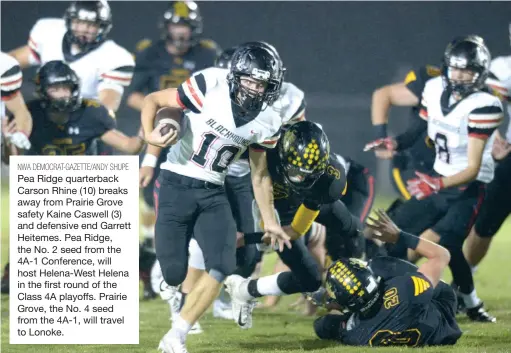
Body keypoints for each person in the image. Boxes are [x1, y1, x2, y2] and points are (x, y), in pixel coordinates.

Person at [140, 44, 292, 353]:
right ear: (236, 75)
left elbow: (260, 175)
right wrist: (148, 136)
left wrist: (271, 220)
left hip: (213, 191)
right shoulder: (210, 82)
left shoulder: (268, 120)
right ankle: (166, 278)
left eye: (262, 83)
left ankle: (176, 335)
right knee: (174, 273)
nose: (254, 89)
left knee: (223, 263)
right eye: (250, 80)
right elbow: (153, 99)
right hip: (175, 184)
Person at [378, 35, 501, 322]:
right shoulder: (434, 89)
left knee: (439, 243)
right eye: (455, 68)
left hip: (467, 188)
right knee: (398, 229)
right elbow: (420, 125)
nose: (458, 75)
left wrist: (436, 183)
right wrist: (397, 143)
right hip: (437, 179)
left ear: (479, 72)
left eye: (466, 69)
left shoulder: (486, 105)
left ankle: (428, 304)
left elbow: (471, 168)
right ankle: (465, 302)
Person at [225, 121, 363, 329]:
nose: (303, 179)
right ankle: (245, 290)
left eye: (311, 173)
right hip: (278, 210)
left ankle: (360, 287)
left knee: (354, 228)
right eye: (298, 173)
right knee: (309, 280)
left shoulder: (331, 178)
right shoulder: (265, 147)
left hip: (308, 202)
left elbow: (301, 223)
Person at [131, 2, 221, 284]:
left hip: (195, 131)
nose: (181, 33)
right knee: (151, 190)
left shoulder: (207, 52)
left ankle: (185, 246)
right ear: (167, 27)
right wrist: (159, 111)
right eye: (176, 26)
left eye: (185, 27)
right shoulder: (150, 52)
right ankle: (154, 244)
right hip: (160, 125)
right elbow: (134, 95)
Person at [312, 209, 461, 347]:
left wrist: (336, 302)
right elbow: (441, 255)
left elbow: (325, 325)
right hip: (440, 319)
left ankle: (332, 300)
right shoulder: (404, 289)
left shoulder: (356, 336)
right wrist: (400, 236)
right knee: (381, 264)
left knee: (325, 324)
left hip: (393, 318)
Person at [9, 0, 134, 155]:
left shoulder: (115, 57)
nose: (83, 30)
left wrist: (87, 123)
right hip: (45, 118)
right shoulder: (48, 32)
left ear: (103, 26)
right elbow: (10, 64)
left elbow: (106, 106)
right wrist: (22, 114)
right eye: (79, 22)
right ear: (68, 20)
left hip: (83, 123)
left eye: (91, 25)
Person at [1, 61, 143, 157]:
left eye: (66, 88)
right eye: (55, 89)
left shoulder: (90, 113)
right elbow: (12, 160)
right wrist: (8, 142)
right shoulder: (31, 114)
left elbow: (130, 147)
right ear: (42, 91)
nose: (63, 94)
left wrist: (146, 130)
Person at [463, 30, 511, 270]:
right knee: (484, 225)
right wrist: (494, 136)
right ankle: (465, 284)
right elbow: (476, 97)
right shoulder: (505, 68)